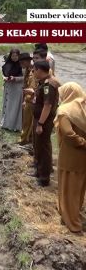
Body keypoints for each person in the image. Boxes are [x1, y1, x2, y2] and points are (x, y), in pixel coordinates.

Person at [54, 82, 86, 234]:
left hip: (70, 156)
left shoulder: (65, 111)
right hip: (82, 159)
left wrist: (82, 142)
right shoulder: (83, 109)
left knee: (68, 189)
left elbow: (68, 134)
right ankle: (75, 214)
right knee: (78, 189)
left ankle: (72, 222)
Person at [25, 61, 60, 186]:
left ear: (40, 70)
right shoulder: (44, 82)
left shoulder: (48, 85)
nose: (33, 72)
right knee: (38, 145)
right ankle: (39, 171)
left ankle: (44, 178)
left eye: (34, 70)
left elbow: (47, 106)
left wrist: (40, 123)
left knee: (43, 147)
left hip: (43, 121)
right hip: (39, 119)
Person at [0, 49, 23, 132]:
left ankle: (14, 126)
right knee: (7, 105)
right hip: (8, 87)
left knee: (14, 107)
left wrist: (15, 78)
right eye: (13, 56)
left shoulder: (21, 65)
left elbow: (24, 77)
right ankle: (6, 124)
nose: (14, 57)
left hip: (17, 89)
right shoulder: (7, 64)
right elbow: (3, 73)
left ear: (19, 56)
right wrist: (4, 77)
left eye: (16, 56)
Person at [19, 53, 36, 145]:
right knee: (26, 121)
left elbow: (32, 88)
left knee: (27, 121)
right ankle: (27, 138)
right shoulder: (28, 70)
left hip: (30, 99)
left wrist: (26, 100)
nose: (21, 65)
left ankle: (24, 139)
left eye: (22, 63)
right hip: (27, 98)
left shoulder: (33, 72)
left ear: (26, 61)